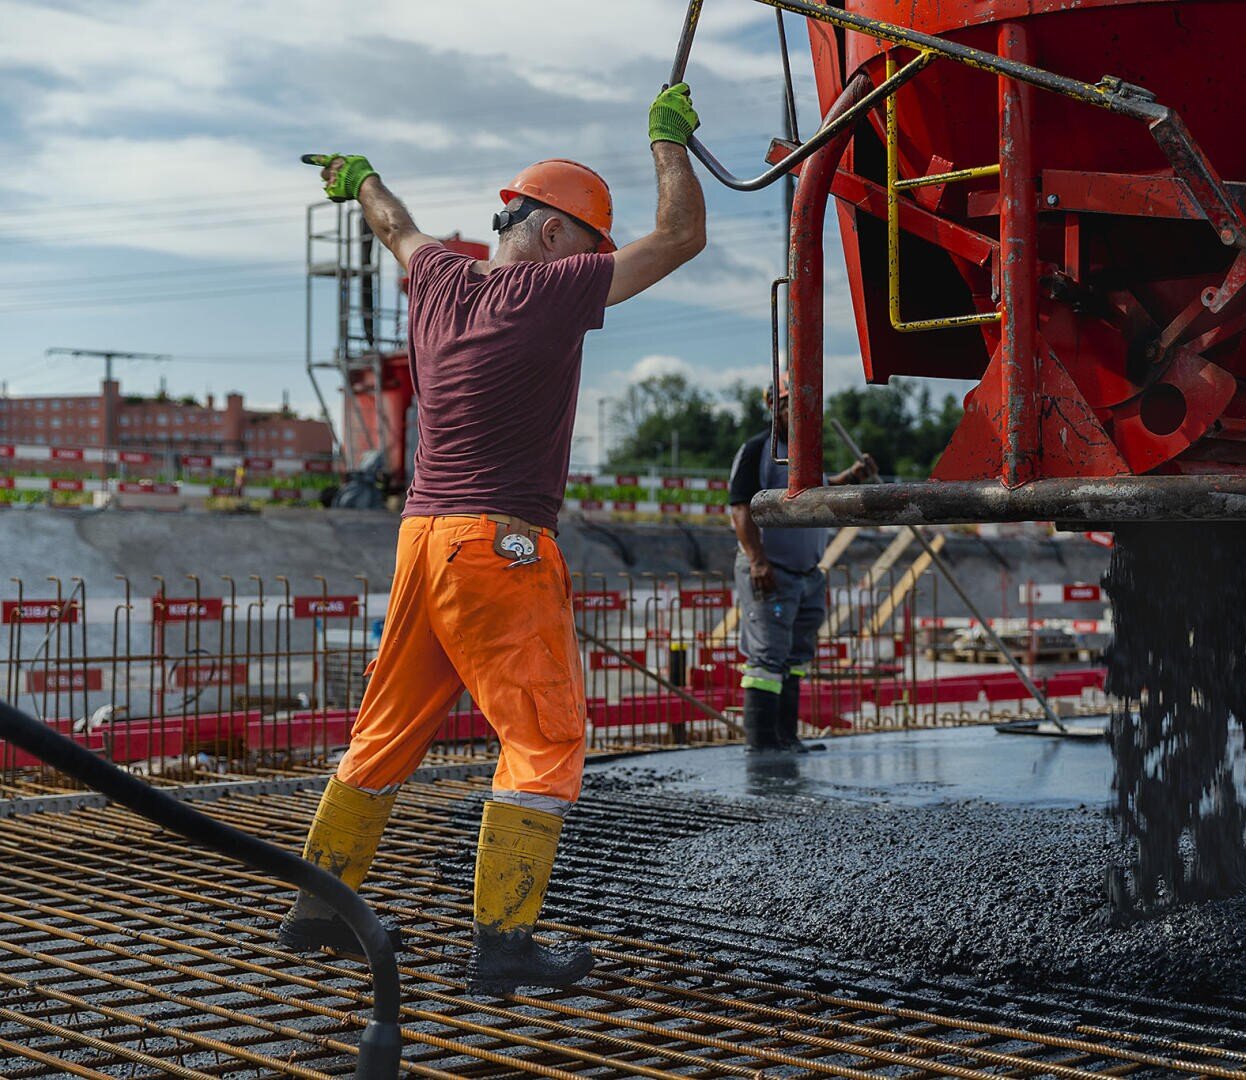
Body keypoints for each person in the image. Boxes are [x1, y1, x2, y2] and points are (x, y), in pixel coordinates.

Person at [280, 84, 706, 996]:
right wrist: (667, 142)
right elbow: (679, 238)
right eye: (592, 247)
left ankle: (317, 913)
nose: (599, 268)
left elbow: (395, 226)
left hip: (422, 539)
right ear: (551, 234)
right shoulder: (549, 291)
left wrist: (361, 180)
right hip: (498, 547)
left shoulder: (439, 279)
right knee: (545, 739)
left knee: (383, 733)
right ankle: (504, 945)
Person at [727, 376, 876, 752]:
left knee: (794, 658)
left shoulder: (806, 457)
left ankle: (785, 738)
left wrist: (852, 478)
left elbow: (817, 495)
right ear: (772, 407)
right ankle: (763, 746)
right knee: (767, 658)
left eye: (801, 403)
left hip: (806, 576)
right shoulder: (759, 450)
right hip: (771, 572)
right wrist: (758, 563)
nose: (795, 411)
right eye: (787, 403)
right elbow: (740, 509)